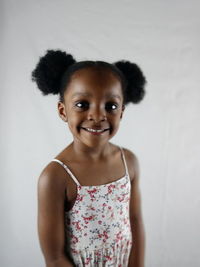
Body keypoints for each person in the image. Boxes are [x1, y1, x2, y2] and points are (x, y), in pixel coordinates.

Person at [32, 49, 146, 267]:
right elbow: (54, 258)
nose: (97, 115)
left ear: (122, 111)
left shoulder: (128, 161)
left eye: (110, 106)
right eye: (82, 104)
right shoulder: (55, 176)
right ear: (63, 111)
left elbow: (135, 221)